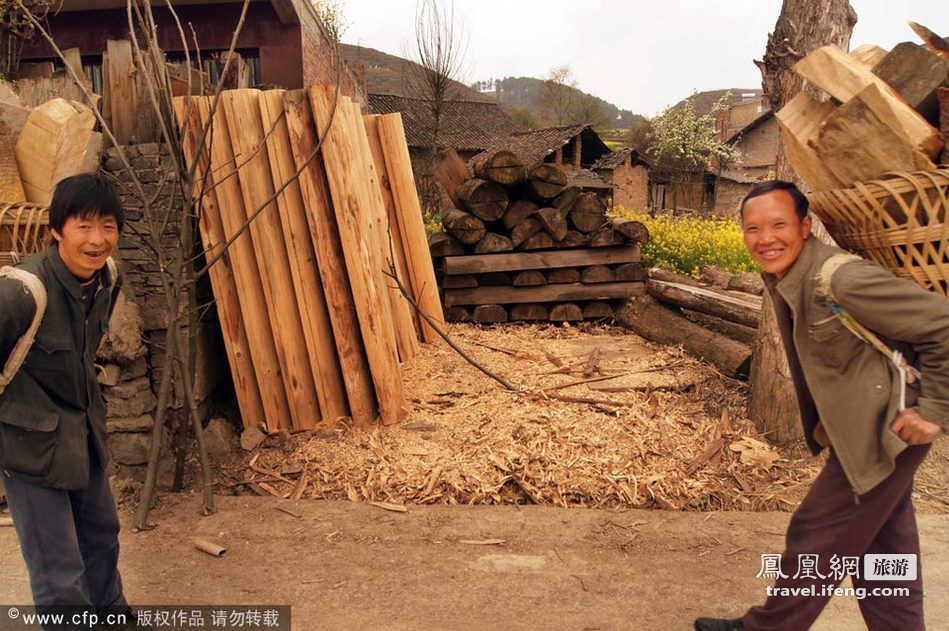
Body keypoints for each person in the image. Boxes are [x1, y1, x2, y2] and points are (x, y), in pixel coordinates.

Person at [694, 181, 948, 631]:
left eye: (779, 225)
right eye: (754, 228)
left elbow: (943, 325)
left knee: (815, 536)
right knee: (884, 552)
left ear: (805, 226)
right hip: (865, 428)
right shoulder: (789, 278)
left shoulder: (841, 278)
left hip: (886, 431)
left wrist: (934, 410)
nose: (766, 238)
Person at [0, 174, 129, 626]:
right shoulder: (21, 291)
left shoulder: (106, 278)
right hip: (29, 448)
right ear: (57, 229)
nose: (98, 240)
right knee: (59, 568)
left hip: (81, 434)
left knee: (101, 537)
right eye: (84, 226)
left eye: (108, 226)